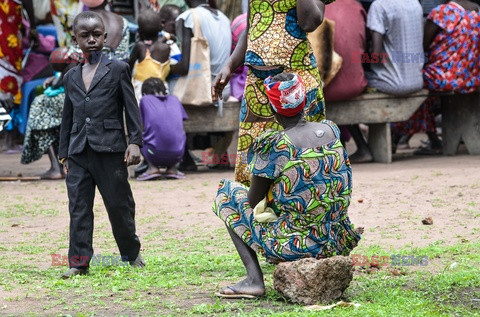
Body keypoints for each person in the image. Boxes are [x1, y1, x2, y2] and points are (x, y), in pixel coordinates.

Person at [212, 73, 362, 298]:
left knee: (227, 195)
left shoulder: (275, 145)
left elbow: (251, 202)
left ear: (273, 110)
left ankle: (254, 280)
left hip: (297, 244)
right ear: (304, 102)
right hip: (337, 240)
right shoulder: (331, 130)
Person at [58, 11, 145, 278]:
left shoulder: (118, 69)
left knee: (119, 205)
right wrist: (64, 155)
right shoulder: (71, 77)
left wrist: (135, 143)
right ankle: (79, 262)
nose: (92, 40)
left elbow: (131, 109)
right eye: (85, 36)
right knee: (79, 207)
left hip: (110, 150)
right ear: (76, 39)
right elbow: (67, 117)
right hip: (78, 151)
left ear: (105, 37)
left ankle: (131, 254)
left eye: (97, 34)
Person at [212, 0, 333, 185]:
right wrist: (230, 64)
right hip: (258, 83)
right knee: (254, 156)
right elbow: (253, 25)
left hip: (295, 79)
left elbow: (309, 22)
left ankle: (304, 207)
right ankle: (260, 210)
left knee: (304, 155)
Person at [392, 0, 480, 155]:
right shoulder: (476, 10)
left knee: (412, 84)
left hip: (445, 78)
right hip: (471, 78)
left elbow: (422, 47)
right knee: (423, 93)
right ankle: (432, 139)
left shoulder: (442, 12)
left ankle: (396, 135)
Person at [347, 0, 424, 162]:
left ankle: (362, 146)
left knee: (348, 81)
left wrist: (359, 56)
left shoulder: (379, 6)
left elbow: (375, 57)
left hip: (392, 83)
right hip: (417, 80)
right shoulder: (415, 4)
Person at [171, 0, 232, 171]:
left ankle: (184, 157)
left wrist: (162, 66)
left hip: (203, 89)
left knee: (160, 86)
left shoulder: (188, 16)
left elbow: (184, 66)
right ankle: (220, 154)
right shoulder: (224, 18)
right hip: (224, 90)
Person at [322, 0, 368, 152]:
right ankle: (360, 147)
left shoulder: (315, 7)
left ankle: (338, 149)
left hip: (324, 89)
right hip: (356, 85)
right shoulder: (356, 6)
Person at [21, 47, 70, 179]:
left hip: (70, 101)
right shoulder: (78, 51)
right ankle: (57, 166)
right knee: (49, 123)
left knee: (39, 117)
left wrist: (54, 80)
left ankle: (56, 167)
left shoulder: (75, 55)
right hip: (66, 103)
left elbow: (61, 80)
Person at [137, 77, 188, 180]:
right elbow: (181, 122)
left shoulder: (145, 100)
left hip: (153, 153)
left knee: (138, 135)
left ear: (144, 93)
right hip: (177, 154)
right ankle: (172, 169)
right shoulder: (175, 99)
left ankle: (152, 168)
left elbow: (139, 124)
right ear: (165, 90)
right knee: (181, 133)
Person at [129, 9, 171, 101]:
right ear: (161, 27)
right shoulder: (166, 47)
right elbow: (157, 43)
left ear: (139, 31)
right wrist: (166, 37)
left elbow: (129, 65)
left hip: (142, 89)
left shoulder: (140, 47)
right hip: (161, 89)